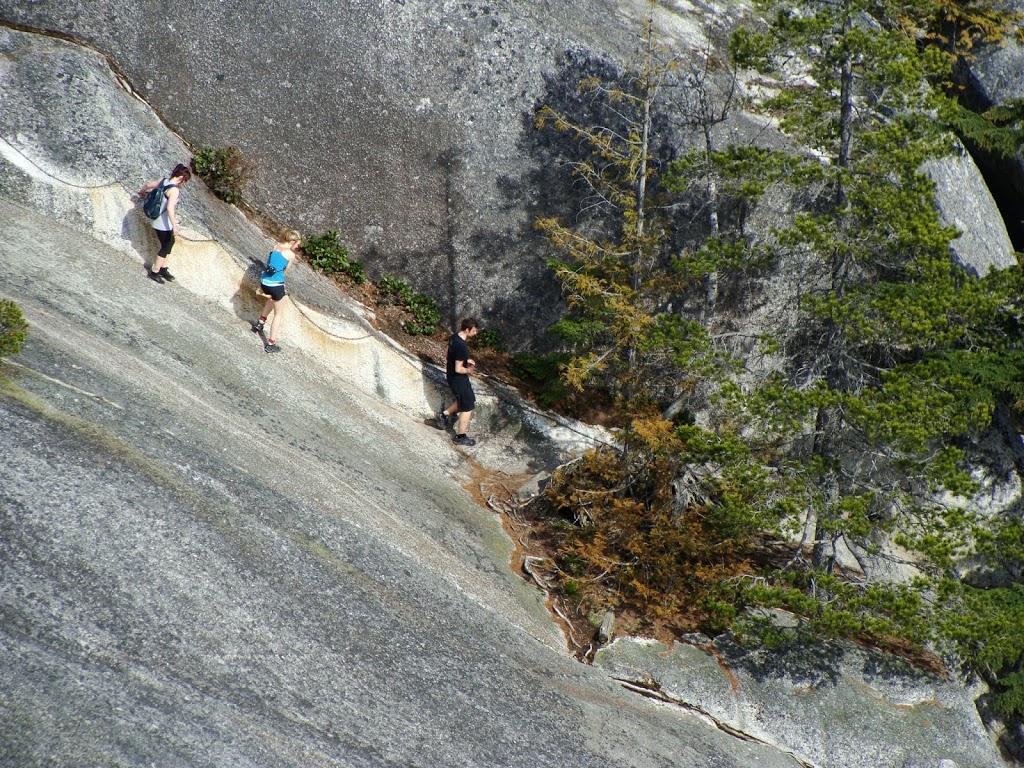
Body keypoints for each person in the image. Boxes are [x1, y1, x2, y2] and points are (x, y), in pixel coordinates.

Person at [138, 163, 191, 284]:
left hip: (156, 219)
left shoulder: (163, 181)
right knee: (166, 246)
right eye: (185, 180)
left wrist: (142, 192)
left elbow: (147, 185)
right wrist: (175, 227)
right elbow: (170, 209)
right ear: (182, 178)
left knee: (170, 242)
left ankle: (163, 268)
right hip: (163, 223)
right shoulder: (174, 190)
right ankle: (155, 271)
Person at [252, 229, 302, 353]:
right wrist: (281, 286)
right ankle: (271, 343)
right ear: (292, 242)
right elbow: (284, 272)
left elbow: (270, 263)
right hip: (276, 285)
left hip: (265, 282)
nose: (298, 247)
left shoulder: (276, 246)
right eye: (297, 244)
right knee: (278, 314)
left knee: (273, 299)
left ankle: (260, 323)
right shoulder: (291, 255)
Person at [438, 317, 480, 446]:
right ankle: (460, 436)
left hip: (453, 377)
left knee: (466, 399)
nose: (476, 333)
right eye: (474, 330)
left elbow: (452, 356)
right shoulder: (461, 346)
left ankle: (443, 416)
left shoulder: (455, 337)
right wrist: (469, 370)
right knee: (468, 406)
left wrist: (466, 361)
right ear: (467, 330)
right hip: (458, 379)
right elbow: (458, 368)